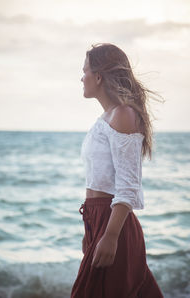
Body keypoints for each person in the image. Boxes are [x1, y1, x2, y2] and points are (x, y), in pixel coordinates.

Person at [71, 43, 164, 298]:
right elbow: (98, 181)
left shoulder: (123, 114)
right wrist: (90, 230)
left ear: (98, 77)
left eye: (85, 70)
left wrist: (110, 235)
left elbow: (128, 185)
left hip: (114, 224)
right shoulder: (107, 118)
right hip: (98, 221)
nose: (82, 77)